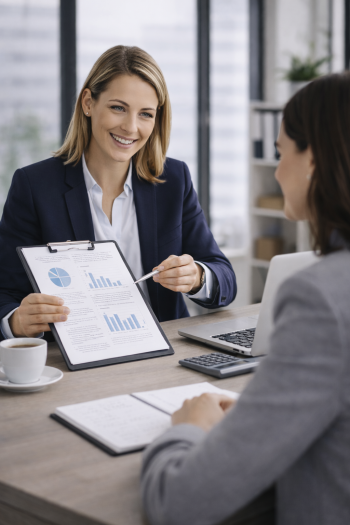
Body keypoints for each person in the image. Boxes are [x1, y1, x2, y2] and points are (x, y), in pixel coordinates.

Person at [140, 73, 350, 525]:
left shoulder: (321, 298)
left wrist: (187, 430)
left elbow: (179, 503)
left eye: (280, 153)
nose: (275, 171)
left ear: (311, 159)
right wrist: (267, 416)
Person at [0, 45, 236, 340]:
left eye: (146, 114)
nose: (131, 127)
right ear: (88, 103)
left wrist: (198, 277)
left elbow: (224, 278)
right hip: (77, 359)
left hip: (162, 355)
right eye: (118, 108)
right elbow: (5, 292)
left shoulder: (174, 180)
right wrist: (16, 321)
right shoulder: (34, 185)